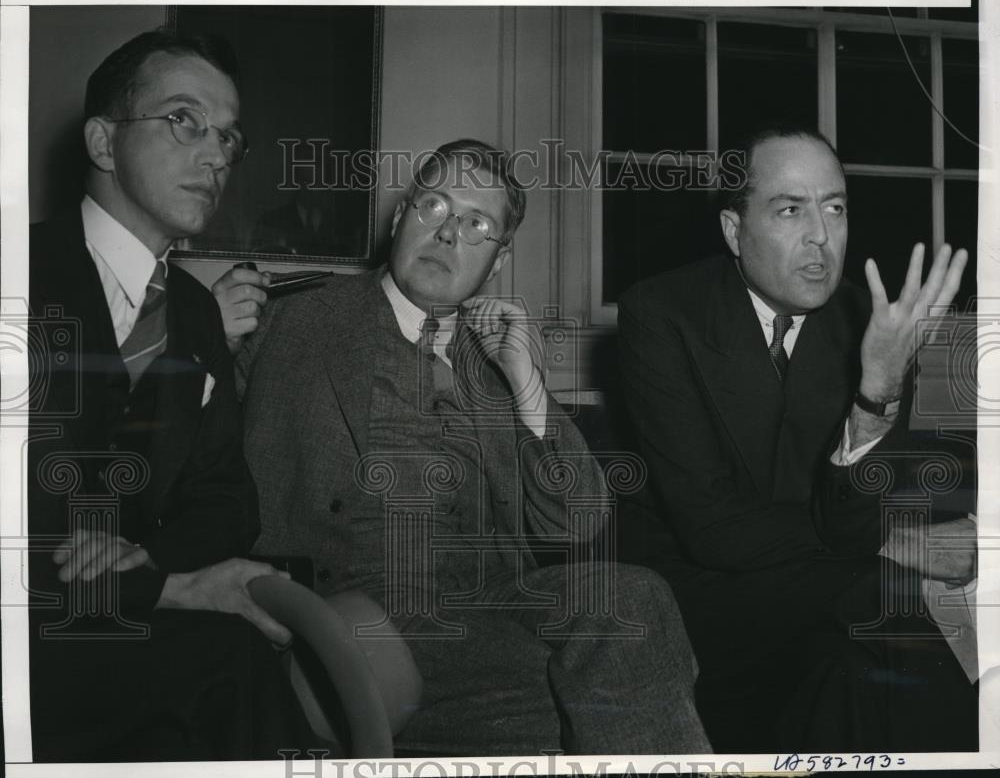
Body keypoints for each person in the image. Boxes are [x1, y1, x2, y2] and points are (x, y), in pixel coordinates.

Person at [223, 139, 710, 755]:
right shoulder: (291, 318)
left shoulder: (493, 357)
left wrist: (529, 383)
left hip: (486, 602)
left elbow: (576, 520)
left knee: (635, 601)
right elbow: (186, 458)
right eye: (434, 207)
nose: (450, 233)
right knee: (596, 692)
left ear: (499, 260)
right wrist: (204, 345)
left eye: (477, 224)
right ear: (401, 218)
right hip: (351, 611)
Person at [617, 124, 977, 753]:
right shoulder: (660, 312)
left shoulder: (869, 324)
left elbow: (863, 503)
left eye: (834, 208)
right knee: (881, 591)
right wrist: (895, 541)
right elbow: (713, 526)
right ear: (735, 231)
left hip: (814, 581)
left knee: (862, 674)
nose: (821, 236)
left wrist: (877, 392)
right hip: (691, 585)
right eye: (790, 209)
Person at [28, 29, 310, 761]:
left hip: (124, 631)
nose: (217, 155)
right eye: (184, 120)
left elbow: (227, 500)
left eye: (227, 136)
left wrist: (141, 561)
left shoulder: (192, 312)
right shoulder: (16, 273)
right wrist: (164, 588)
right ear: (101, 140)